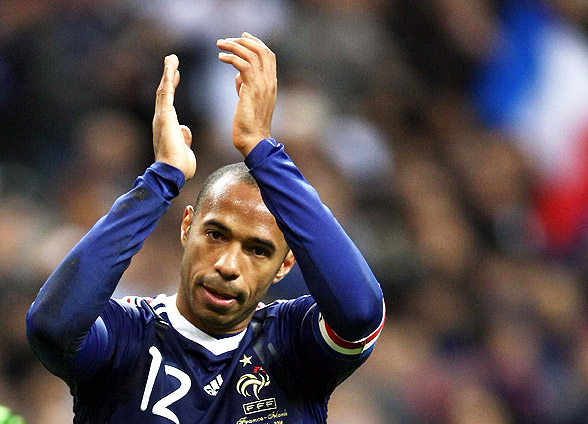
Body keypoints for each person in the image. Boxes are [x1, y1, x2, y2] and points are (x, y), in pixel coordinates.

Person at [26, 33, 385, 423]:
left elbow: (360, 312)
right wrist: (160, 179)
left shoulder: (294, 345)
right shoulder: (126, 333)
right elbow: (52, 329)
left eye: (258, 250)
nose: (228, 265)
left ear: (285, 265)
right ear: (187, 227)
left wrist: (262, 149)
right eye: (216, 234)